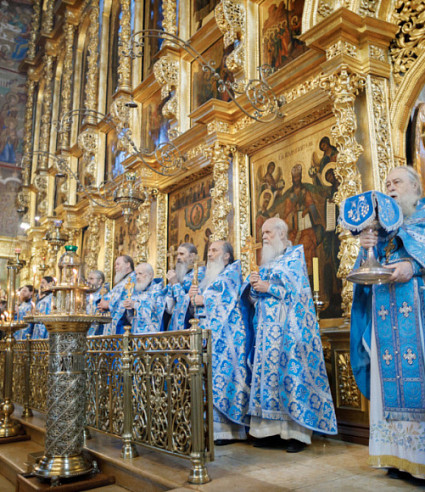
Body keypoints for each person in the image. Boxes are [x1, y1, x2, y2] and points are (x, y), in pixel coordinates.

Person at [351, 166, 425, 479]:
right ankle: (398, 457)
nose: (390, 188)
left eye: (397, 182)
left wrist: (414, 266)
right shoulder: (384, 231)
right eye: (387, 183)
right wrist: (366, 246)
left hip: (419, 317)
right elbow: (367, 273)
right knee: (388, 386)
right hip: (385, 319)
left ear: (415, 187)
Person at [241, 217, 337, 452]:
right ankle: (269, 432)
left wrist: (268, 287)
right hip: (266, 332)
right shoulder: (265, 263)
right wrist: (254, 288)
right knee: (268, 380)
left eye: (268, 232)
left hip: (288, 331)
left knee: (291, 376)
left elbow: (297, 293)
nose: (264, 237)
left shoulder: (293, 258)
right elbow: (254, 300)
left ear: (282, 234)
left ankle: (295, 434)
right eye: (263, 233)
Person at [189, 240, 252, 444]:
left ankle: (229, 432)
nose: (209, 254)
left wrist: (202, 300)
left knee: (225, 379)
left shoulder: (231, 273)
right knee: (208, 380)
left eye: (215, 250)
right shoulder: (210, 277)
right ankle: (210, 429)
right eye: (209, 250)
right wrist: (194, 299)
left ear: (226, 256)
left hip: (229, 337)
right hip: (211, 335)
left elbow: (227, 299)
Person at [165, 243, 205, 331]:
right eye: (177, 254)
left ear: (192, 256)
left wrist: (175, 284)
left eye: (182, 254)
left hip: (191, 324)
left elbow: (191, 302)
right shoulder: (179, 275)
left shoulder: (199, 274)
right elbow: (170, 308)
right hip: (174, 325)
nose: (178, 257)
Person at [121, 263, 166, 334]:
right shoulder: (137, 292)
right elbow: (131, 319)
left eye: (140, 273)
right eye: (136, 274)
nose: (137, 277)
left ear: (150, 275)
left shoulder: (158, 291)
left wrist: (135, 305)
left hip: (151, 335)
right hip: (136, 334)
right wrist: (129, 309)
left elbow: (154, 314)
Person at [98, 255, 135, 335]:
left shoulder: (132, 280)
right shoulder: (123, 281)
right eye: (115, 265)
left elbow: (127, 299)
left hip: (123, 324)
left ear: (128, 264)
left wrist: (109, 305)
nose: (116, 267)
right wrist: (102, 304)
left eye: (118, 264)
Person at [86, 270, 110, 336]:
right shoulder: (86, 294)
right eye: (88, 278)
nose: (88, 281)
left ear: (100, 281)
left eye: (91, 279)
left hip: (98, 330)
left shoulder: (105, 296)